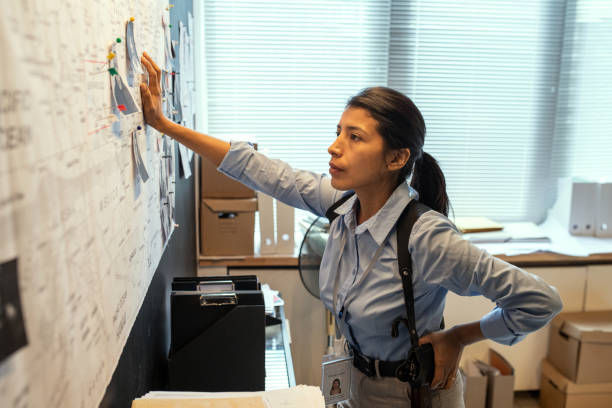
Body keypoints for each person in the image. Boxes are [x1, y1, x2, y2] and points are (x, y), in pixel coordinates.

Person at [139, 52, 563, 407]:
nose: (334, 146)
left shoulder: (427, 238)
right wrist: (165, 126)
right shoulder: (341, 204)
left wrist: (459, 336)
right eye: (337, 132)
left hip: (413, 394)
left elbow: (539, 300)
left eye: (355, 137)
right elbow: (262, 170)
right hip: (354, 381)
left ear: (397, 159)